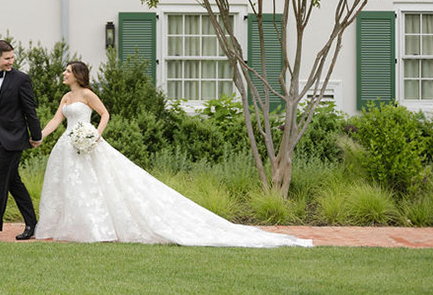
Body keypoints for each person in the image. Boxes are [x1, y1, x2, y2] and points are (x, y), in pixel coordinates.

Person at [35, 61, 312, 247]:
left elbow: (105, 113)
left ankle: (95, 229)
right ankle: (72, 227)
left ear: (78, 75)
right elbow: (56, 121)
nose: (64, 74)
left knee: (97, 186)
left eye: (68, 71)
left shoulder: (86, 94)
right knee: (73, 187)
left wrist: (96, 134)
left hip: (87, 143)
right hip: (68, 146)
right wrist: (40, 138)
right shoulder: (66, 98)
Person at [0, 39, 43, 241]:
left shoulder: (21, 79)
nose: (11, 61)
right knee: (13, 182)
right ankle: (32, 224)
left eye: (12, 57)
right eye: (7, 58)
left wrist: (36, 135)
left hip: (14, 138)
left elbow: (30, 110)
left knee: (0, 181)